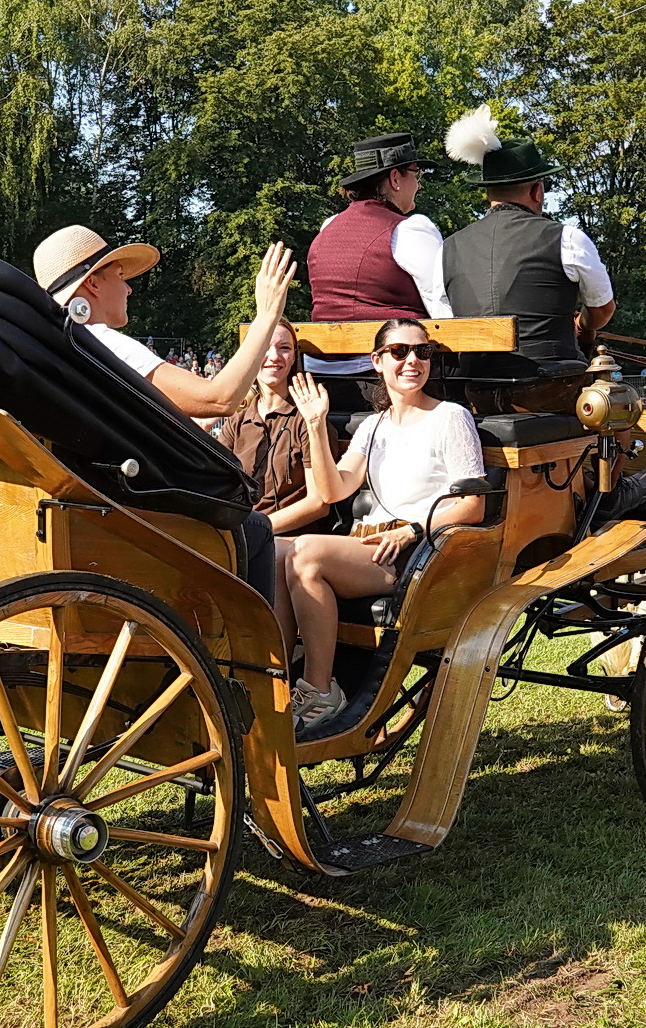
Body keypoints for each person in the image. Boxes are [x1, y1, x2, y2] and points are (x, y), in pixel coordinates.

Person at [32, 225, 297, 602]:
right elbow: (218, 398)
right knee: (255, 528)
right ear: (92, 284)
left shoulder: (53, 348)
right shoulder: (101, 342)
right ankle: (251, 660)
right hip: (121, 520)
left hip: (74, 514)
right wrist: (267, 313)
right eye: (120, 277)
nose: (129, 289)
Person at [277, 318, 486, 734]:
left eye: (422, 352)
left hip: (416, 552)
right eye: (399, 352)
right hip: (370, 545)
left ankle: (321, 690)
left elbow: (473, 504)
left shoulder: (450, 417)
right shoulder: (372, 427)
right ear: (377, 361)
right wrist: (316, 425)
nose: (412, 361)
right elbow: (335, 489)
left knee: (304, 554)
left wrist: (412, 529)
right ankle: (278, 682)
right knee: (274, 548)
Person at [438, 105, 617, 406]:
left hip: (476, 390)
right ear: (537, 191)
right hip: (550, 387)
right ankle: (618, 454)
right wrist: (583, 326)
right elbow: (602, 308)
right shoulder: (567, 237)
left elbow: (443, 319)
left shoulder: (449, 247)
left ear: (487, 192)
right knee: (619, 401)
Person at [305, 133, 449, 410]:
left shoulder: (328, 227)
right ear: (395, 178)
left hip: (322, 381)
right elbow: (443, 307)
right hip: (389, 385)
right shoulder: (411, 229)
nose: (418, 185)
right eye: (416, 175)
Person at [217, 319, 332, 541]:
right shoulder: (237, 421)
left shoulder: (309, 418)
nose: (274, 357)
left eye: (284, 348)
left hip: (289, 541)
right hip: (239, 535)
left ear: (294, 358)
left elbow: (319, 503)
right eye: (263, 348)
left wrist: (256, 529)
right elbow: (214, 482)